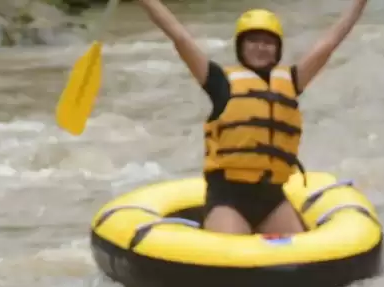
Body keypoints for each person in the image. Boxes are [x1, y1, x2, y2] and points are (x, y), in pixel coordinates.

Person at [133, 0, 370, 236]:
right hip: (228, 198)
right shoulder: (220, 82)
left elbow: (329, 43)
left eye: (268, 42)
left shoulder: (291, 81)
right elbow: (180, 37)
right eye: (253, 41)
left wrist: (359, 4)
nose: (261, 47)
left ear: (277, 49)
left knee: (304, 253)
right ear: (241, 47)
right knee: (229, 254)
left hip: (272, 199)